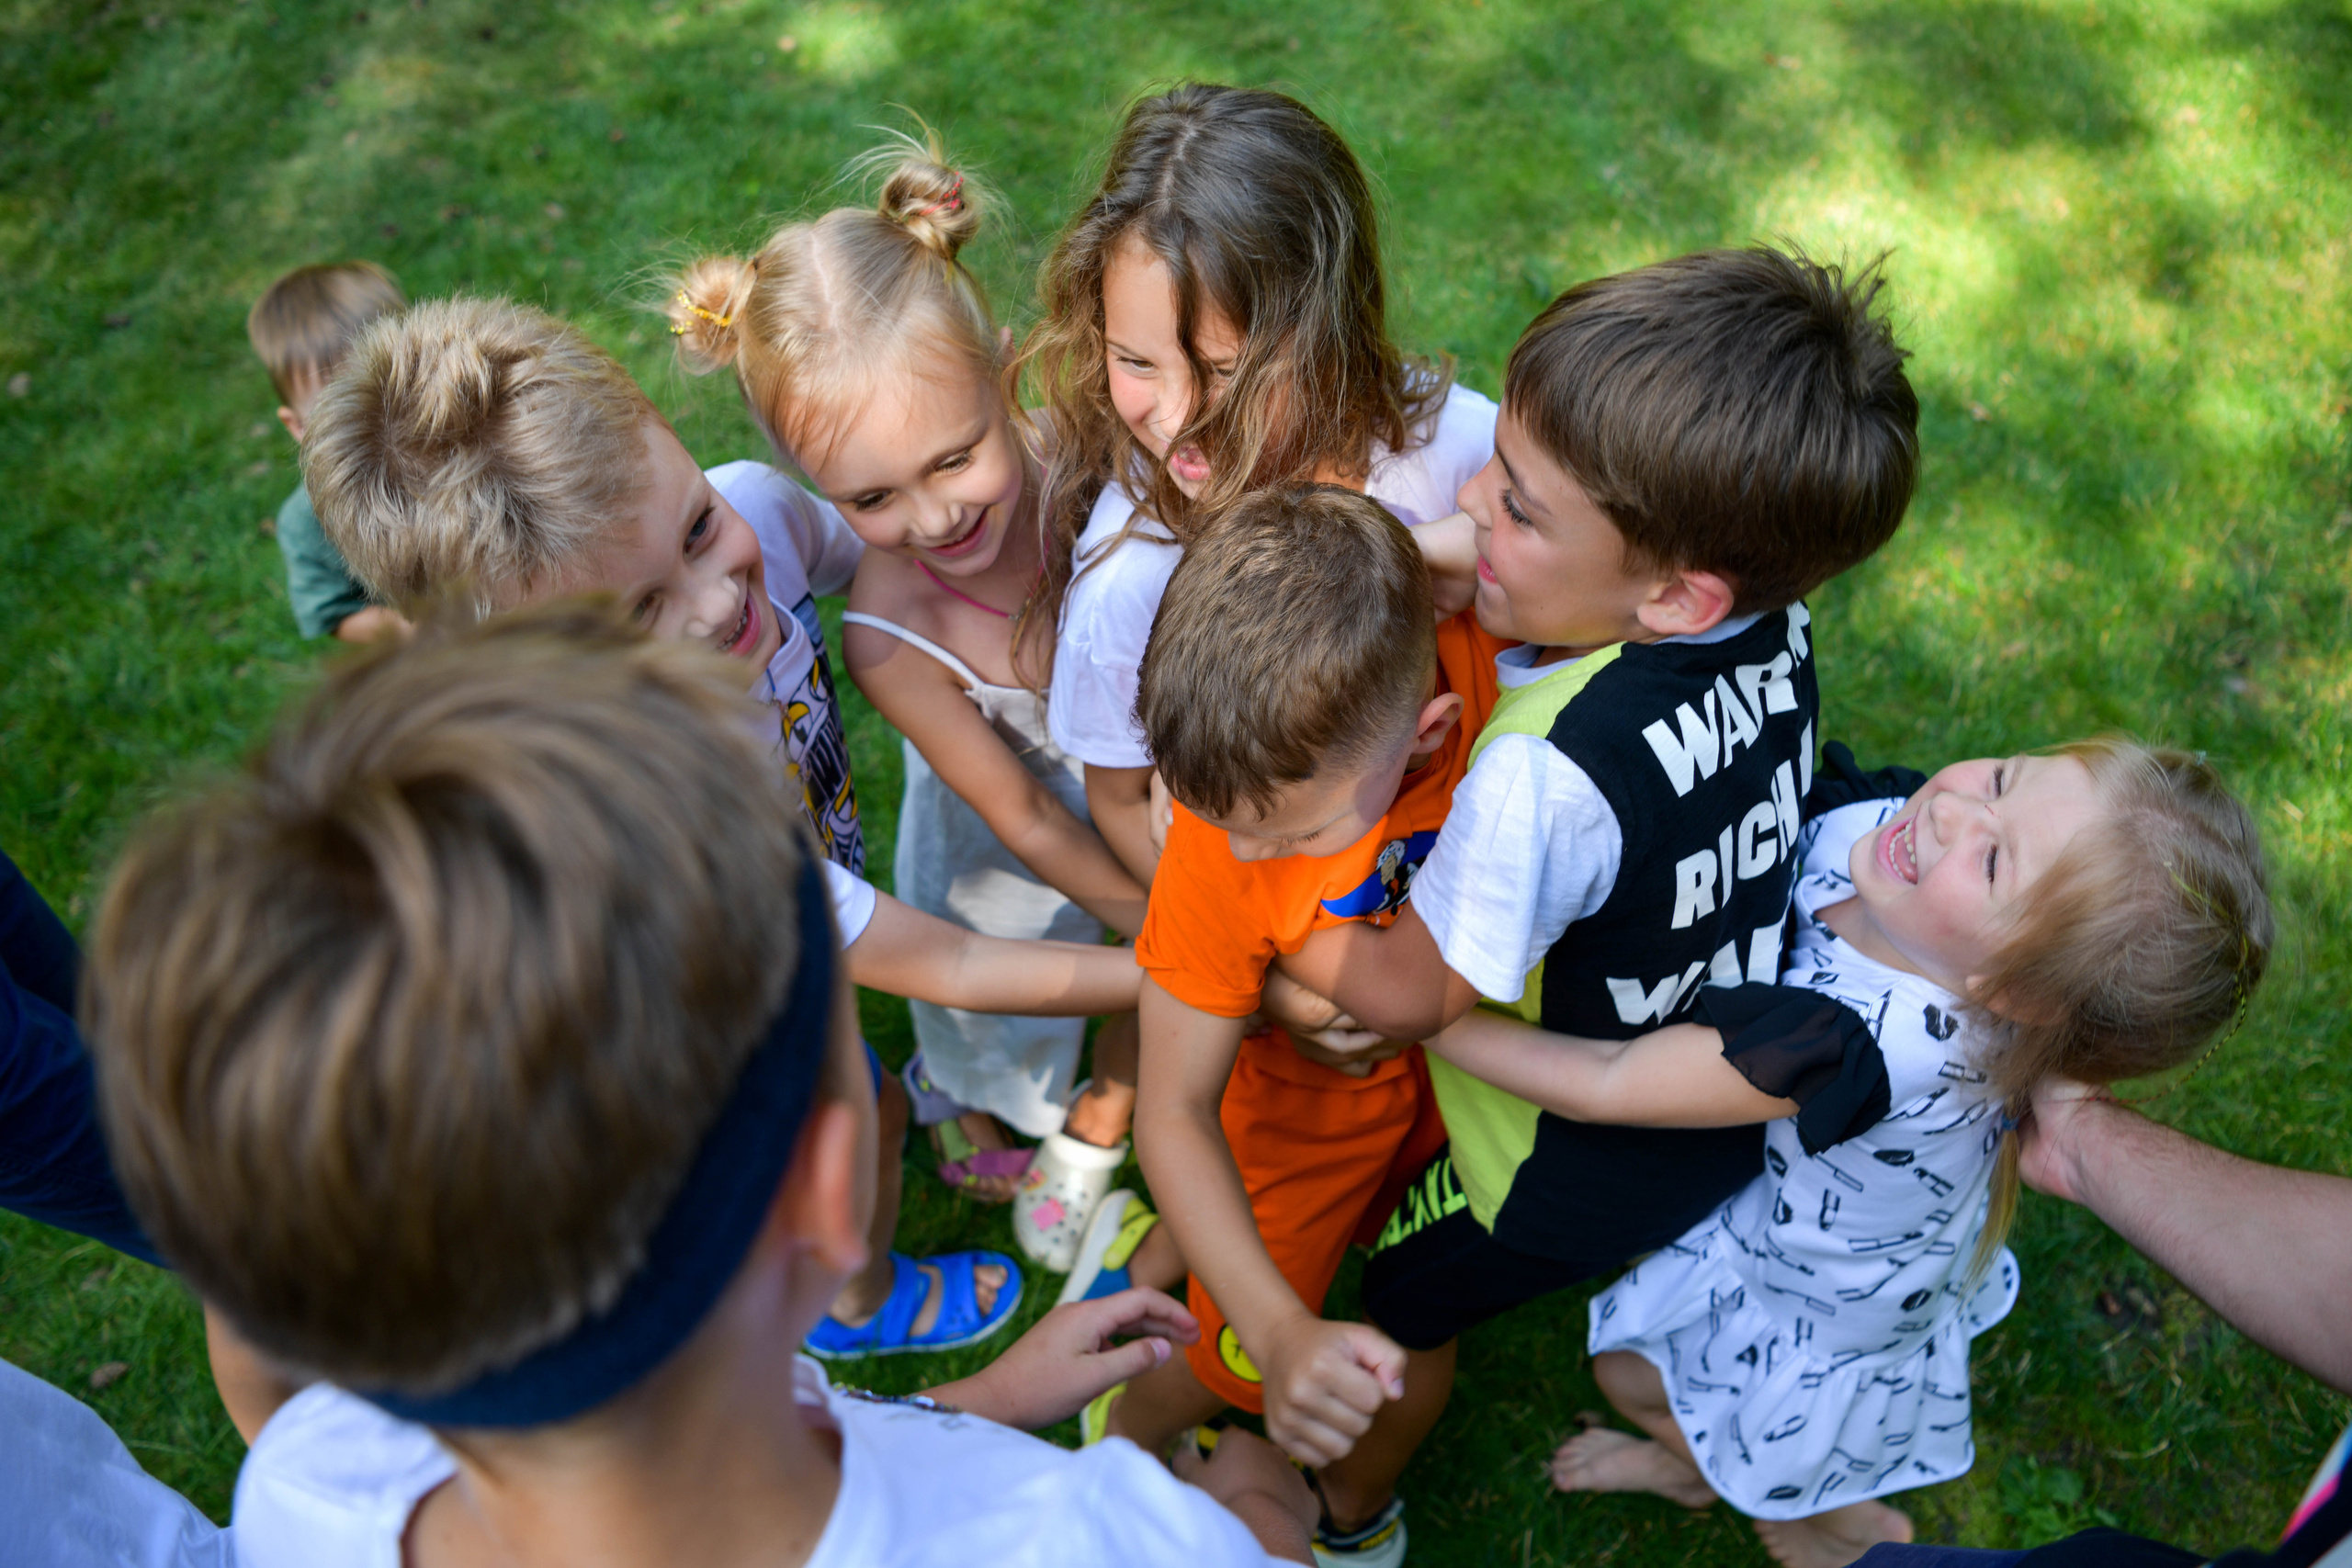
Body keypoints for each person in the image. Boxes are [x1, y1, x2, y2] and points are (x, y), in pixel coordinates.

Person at [78, 604, 1321, 1568]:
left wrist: (981, 1403)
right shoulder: (1111, 1535)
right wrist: (1246, 1519)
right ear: (833, 1191)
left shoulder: (311, 1488)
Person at [300, 295, 1142, 1357]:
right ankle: (855, 1304)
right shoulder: (657, 822)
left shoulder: (758, 514)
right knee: (845, 1136)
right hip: (704, 1023)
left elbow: (886, 527)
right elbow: (955, 961)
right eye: (637, 616)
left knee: (865, 1101)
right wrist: (1183, 971)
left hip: (817, 929)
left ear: (665, 430)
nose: (710, 603)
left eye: (697, 529)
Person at [1267, 245, 1922, 1541]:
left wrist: (1280, 933)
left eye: (1516, 506)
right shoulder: (1770, 618)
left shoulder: (1544, 773)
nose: (1469, 499)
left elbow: (1411, 992)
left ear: (1676, 592)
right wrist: (1463, 551)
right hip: (1716, 1088)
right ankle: (1692, 1443)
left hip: (1550, 1160)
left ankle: (1345, 1508)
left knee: (1391, 1294)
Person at [1426, 741, 2271, 1568]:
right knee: (1657, 1377)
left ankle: (1823, 1523)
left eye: (1991, 862)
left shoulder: (1852, 1043)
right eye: (2004, 778)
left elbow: (1609, 1080)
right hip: (1873, 1226)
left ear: (2012, 993)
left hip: (1829, 1292)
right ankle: (1731, 1473)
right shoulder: (1898, 855)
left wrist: (1430, 1014)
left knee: (1633, 1377)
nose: (1948, 806)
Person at [668, 131, 1148, 1253]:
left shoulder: (1097, 470)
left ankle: (1117, 1100)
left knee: (1160, 962)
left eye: (954, 459)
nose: (935, 522)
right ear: (811, 486)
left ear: (1009, 367)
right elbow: (1023, 815)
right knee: (1007, 986)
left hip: (1154, 775)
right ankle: (973, 1095)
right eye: (871, 497)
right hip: (1003, 848)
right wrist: (1153, 916)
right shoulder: (890, 635)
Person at [1100, 488, 1509, 1566]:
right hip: (1295, 1129)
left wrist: (1409, 555)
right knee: (1230, 1352)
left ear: (1432, 736)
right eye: (1215, 822)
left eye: (1285, 836)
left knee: (1412, 1289)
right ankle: (1120, 1452)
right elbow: (1175, 1112)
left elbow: (1612, 533)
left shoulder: (1471, 647)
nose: (1240, 858)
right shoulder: (1220, 836)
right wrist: (1278, 1335)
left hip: (1453, 1097)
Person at [1023, 82, 1498, 887]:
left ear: (1330, 334)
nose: (1176, 416)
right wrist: (1263, 981)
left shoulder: (1450, 453)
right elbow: (1116, 802)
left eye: (1223, 371)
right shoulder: (1128, 581)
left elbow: (1605, 552)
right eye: (1136, 360)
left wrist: (1414, 552)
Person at [244, 260, 412, 644]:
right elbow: (336, 613)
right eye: (340, 416)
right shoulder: (307, 521)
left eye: (389, 391)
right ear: (298, 427)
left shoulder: (472, 444)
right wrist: (427, 627)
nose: (377, 424)